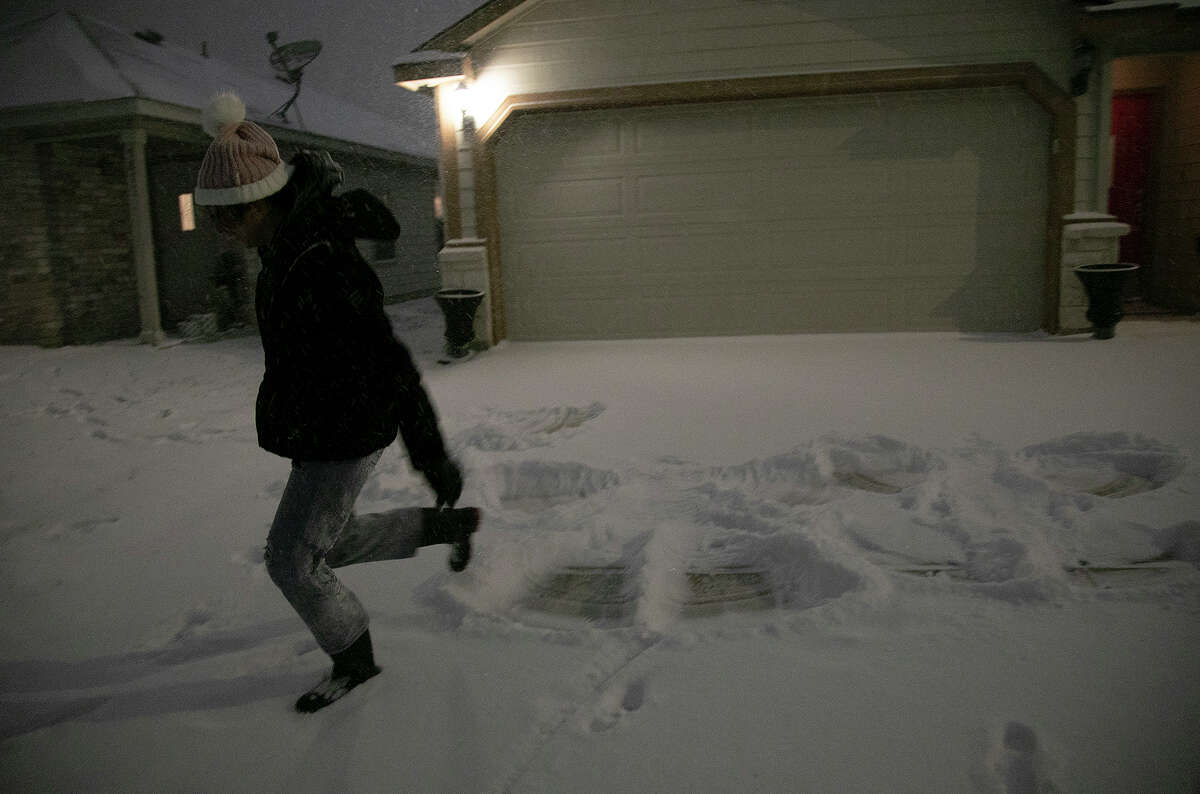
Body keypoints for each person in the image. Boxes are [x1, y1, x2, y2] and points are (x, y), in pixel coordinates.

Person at [193, 92, 478, 713]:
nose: (219, 230)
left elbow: (390, 364)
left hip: (345, 431)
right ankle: (446, 528)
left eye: (224, 217)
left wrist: (432, 457)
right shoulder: (282, 247)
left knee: (292, 561)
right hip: (320, 426)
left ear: (258, 204)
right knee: (330, 541)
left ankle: (355, 660)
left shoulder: (321, 261)